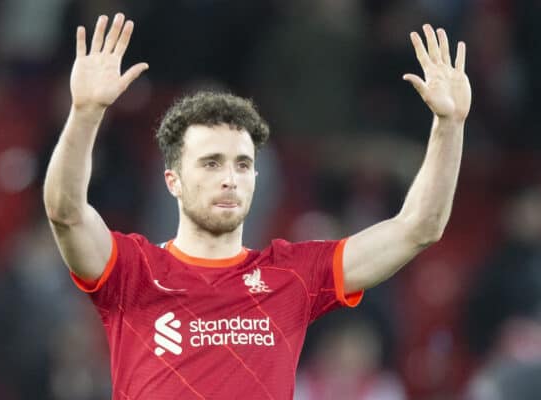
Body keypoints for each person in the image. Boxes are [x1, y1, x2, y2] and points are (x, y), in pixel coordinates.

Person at [43, 12, 471, 400]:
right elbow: (66, 213)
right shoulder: (133, 272)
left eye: (242, 164)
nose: (229, 177)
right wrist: (85, 112)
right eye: (211, 163)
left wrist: (449, 125)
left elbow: (419, 227)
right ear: (172, 180)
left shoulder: (293, 277)